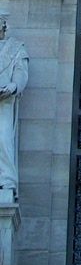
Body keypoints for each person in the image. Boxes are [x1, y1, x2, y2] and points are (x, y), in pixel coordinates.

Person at [0, 17, 28, 200]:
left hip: (4, 101)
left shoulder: (16, 47)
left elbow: (21, 73)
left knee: (3, 139)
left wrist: (13, 87)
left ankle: (6, 181)